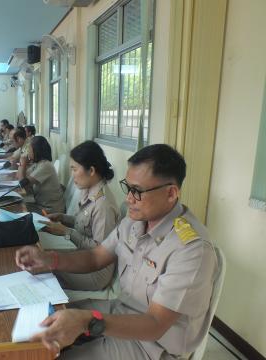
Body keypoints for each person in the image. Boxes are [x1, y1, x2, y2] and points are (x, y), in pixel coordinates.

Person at [15, 144, 218, 360]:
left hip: (151, 346)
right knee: (44, 325)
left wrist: (86, 320)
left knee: (57, 355)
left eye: (138, 191)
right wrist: (50, 259)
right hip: (121, 312)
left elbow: (155, 324)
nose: (128, 199)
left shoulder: (191, 249)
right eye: (128, 188)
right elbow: (95, 257)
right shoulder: (134, 221)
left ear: (171, 193)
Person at [40, 141, 120, 291]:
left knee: (45, 267)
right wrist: (63, 218)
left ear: (91, 170)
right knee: (44, 258)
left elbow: (99, 250)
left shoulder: (103, 205)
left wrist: (66, 232)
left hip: (96, 273)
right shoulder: (89, 190)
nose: (72, 175)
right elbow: (82, 222)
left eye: (74, 169)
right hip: (83, 257)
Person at [17, 135, 65, 213]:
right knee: (19, 205)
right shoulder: (38, 164)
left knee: (19, 209)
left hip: (51, 210)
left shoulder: (45, 166)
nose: (27, 151)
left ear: (36, 150)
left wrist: (23, 163)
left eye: (29, 148)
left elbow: (22, 184)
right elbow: (19, 178)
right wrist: (23, 165)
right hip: (42, 205)